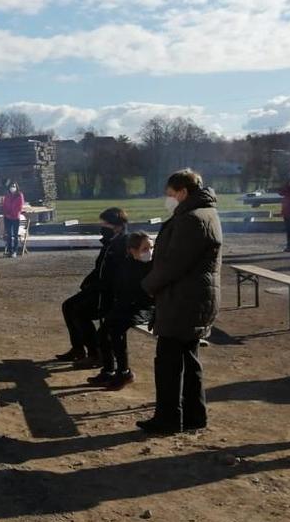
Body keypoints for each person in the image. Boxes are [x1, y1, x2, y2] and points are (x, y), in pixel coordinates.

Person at [138, 169, 222, 435]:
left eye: (171, 194)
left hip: (183, 300)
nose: (168, 199)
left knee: (168, 363)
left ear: (183, 192)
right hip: (193, 298)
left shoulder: (192, 219)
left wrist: (147, 286)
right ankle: (194, 415)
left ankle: (168, 418)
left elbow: (173, 264)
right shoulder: (204, 213)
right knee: (189, 358)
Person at [57, 208, 130, 368]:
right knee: (68, 306)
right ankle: (78, 349)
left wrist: (95, 287)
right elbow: (100, 268)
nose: (102, 228)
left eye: (105, 224)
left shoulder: (122, 244)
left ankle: (95, 353)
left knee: (79, 312)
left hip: (108, 294)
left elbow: (114, 275)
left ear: (117, 226)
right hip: (98, 289)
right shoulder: (110, 242)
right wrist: (88, 283)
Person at [86, 231, 154, 391]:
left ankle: (124, 372)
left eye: (151, 247)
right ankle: (108, 370)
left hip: (145, 307)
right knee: (103, 333)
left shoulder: (154, 266)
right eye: (145, 249)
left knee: (116, 331)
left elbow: (149, 294)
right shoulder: (127, 264)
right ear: (132, 250)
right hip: (127, 305)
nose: (150, 252)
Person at [1, 181, 25, 258]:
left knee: (15, 235)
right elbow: (4, 205)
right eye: (11, 186)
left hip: (15, 217)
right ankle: (10, 251)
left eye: (14, 186)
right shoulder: (7, 195)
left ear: (16, 187)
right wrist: (6, 214)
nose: (12, 188)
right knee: (9, 235)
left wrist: (12, 214)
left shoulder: (19, 195)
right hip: (7, 218)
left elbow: (20, 207)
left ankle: (15, 251)